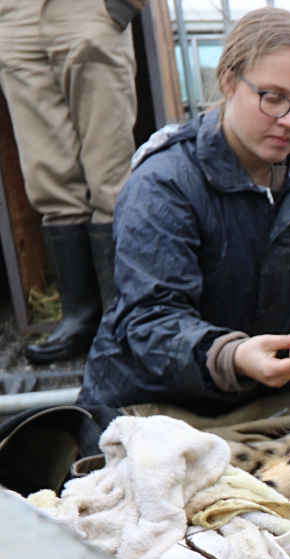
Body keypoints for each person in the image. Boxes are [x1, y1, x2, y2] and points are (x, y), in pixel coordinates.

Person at [78, 7, 290, 416]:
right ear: (228, 79)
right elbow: (152, 321)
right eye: (273, 98)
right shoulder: (165, 183)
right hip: (147, 404)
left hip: (258, 402)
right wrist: (233, 355)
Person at [0, 0, 145, 363]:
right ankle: (79, 315)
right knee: (45, 171)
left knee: (109, 167)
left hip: (87, 7)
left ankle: (121, 313)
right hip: (16, 15)